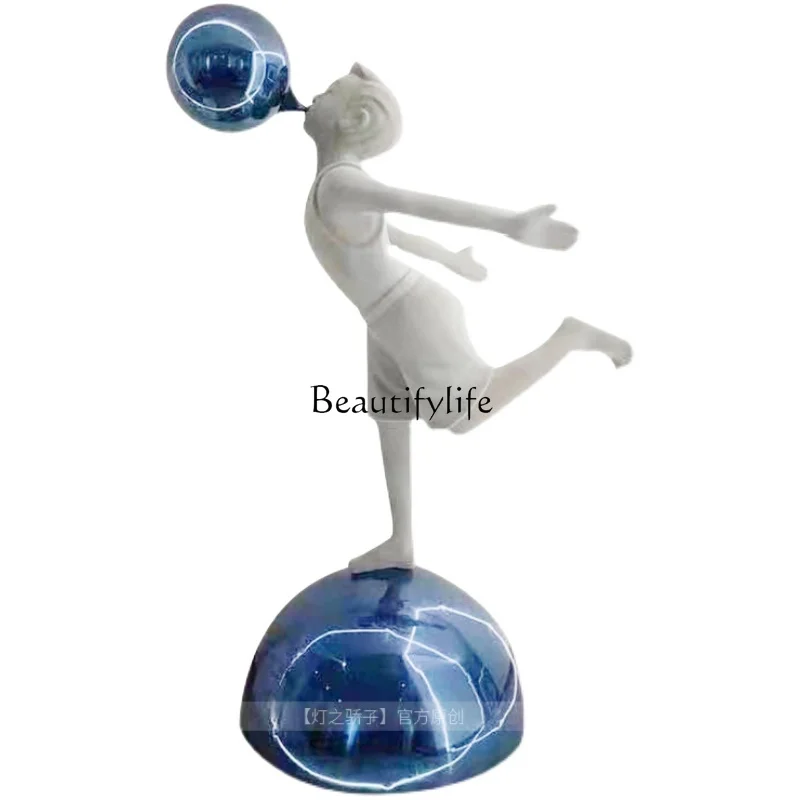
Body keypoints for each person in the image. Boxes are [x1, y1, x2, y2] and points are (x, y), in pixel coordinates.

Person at [304, 63, 632, 573]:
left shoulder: (342, 183)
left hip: (409, 311)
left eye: (329, 92)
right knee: (389, 416)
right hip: (384, 319)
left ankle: (568, 338)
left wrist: (509, 224)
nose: (314, 96)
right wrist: (452, 260)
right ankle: (401, 540)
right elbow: (395, 235)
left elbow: (414, 203)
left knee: (464, 412)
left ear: (354, 119)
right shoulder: (335, 184)